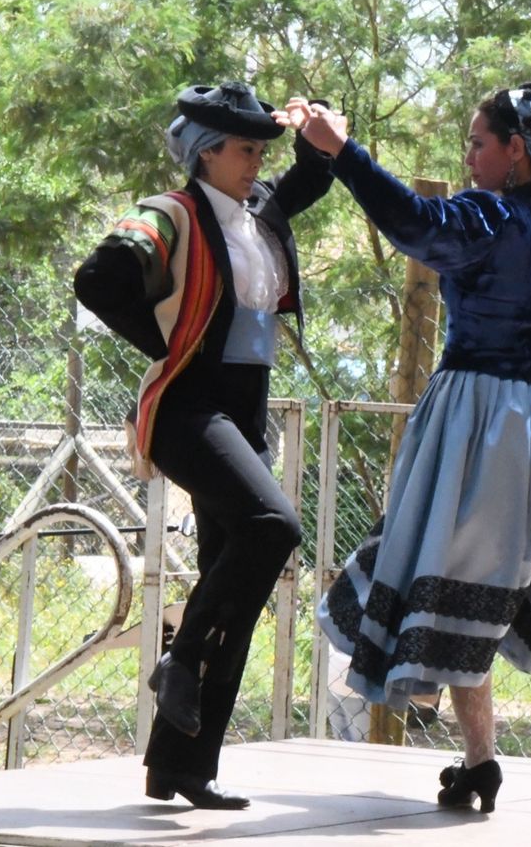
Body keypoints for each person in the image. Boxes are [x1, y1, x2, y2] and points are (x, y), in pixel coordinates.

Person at [307, 83, 531, 813]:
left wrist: (343, 153)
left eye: (476, 143)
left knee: (444, 578)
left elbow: (411, 221)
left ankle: (479, 754)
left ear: (514, 150)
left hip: (489, 422)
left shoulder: (491, 218)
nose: (467, 157)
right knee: (473, 590)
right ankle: (480, 760)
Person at [73, 81, 338, 809]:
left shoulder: (259, 214)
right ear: (206, 153)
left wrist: (321, 133)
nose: (257, 161)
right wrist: (165, 344)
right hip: (190, 408)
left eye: (259, 149)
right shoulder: (172, 213)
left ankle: (180, 767)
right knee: (273, 526)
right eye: (246, 149)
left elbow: (314, 174)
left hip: (243, 412)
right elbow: (96, 279)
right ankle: (180, 658)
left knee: (236, 585)